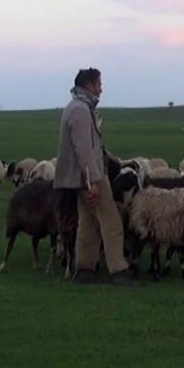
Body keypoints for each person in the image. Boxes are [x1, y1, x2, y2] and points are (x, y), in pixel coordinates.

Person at [55, 68, 140, 286]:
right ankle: (119, 271)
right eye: (98, 84)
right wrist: (92, 181)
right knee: (111, 222)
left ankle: (84, 270)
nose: (101, 88)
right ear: (89, 85)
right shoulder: (81, 111)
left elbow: (90, 145)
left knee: (89, 223)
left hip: (83, 175)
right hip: (90, 176)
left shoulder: (76, 108)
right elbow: (83, 148)